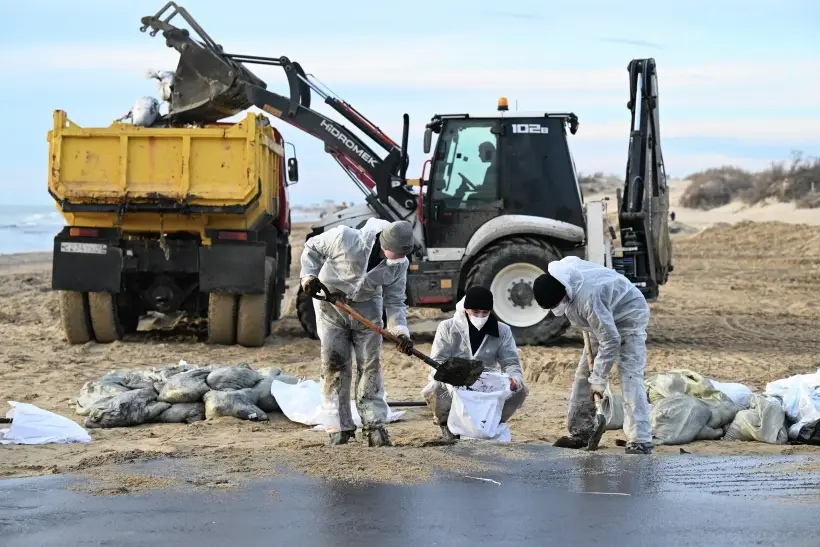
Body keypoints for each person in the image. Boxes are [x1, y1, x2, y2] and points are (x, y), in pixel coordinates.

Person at [300, 218, 415, 447]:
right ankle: (338, 426)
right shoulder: (345, 238)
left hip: (368, 307)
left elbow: (395, 301)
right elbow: (311, 247)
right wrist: (309, 277)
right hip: (330, 304)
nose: (398, 260)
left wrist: (399, 330)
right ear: (384, 243)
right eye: (395, 254)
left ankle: (374, 424)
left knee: (370, 364)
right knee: (335, 363)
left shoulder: (399, 264)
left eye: (402, 256)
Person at [532, 256, 653, 454]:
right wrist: (593, 376)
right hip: (600, 317)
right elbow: (600, 328)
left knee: (629, 376)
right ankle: (582, 431)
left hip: (628, 315)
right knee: (583, 375)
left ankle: (640, 439)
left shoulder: (589, 298)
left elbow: (611, 340)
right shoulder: (564, 274)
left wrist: (599, 379)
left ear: (564, 293)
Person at [421, 286, 528, 441]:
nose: (480, 316)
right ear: (466, 310)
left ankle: (495, 422)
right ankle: (445, 426)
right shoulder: (448, 328)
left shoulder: (502, 331)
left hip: (484, 382)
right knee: (436, 386)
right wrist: (452, 378)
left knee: (521, 390)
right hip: (454, 380)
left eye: (485, 313)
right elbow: (437, 361)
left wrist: (514, 378)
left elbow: (510, 362)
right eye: (475, 312)